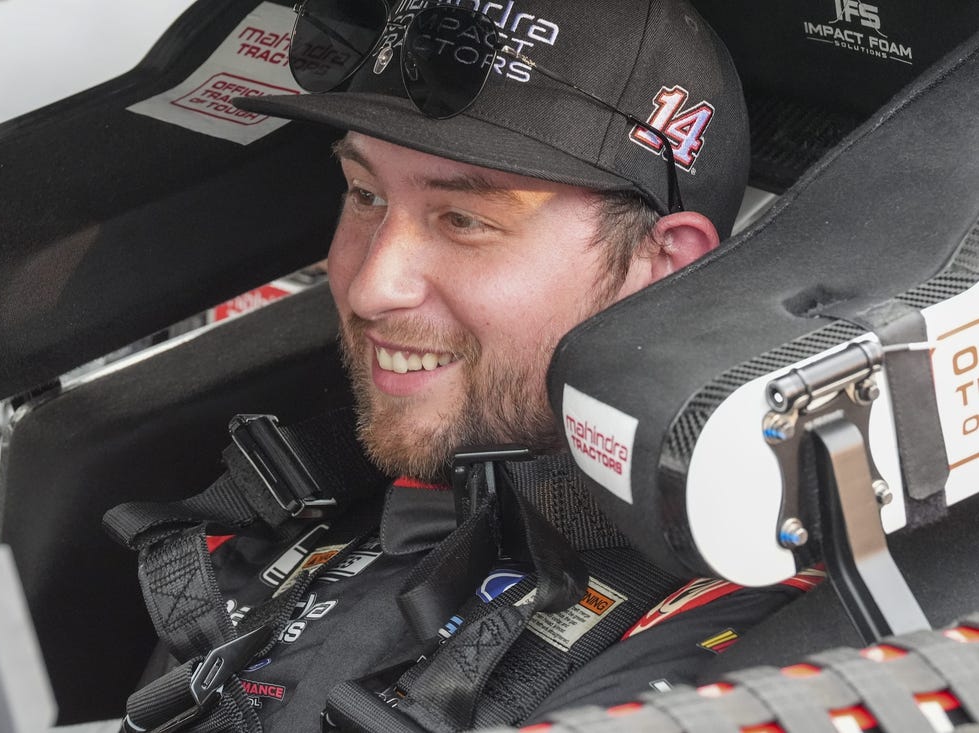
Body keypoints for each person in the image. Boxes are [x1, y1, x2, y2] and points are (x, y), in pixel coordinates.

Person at [116, 1, 822, 730]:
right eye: (365, 194)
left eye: (464, 220)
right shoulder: (294, 513)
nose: (370, 287)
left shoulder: (742, 630)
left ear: (663, 267)